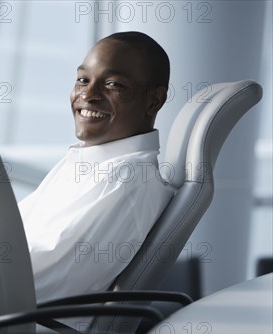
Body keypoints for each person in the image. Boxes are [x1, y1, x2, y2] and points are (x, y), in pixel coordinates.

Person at [18, 31, 175, 309]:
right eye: (82, 80)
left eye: (113, 84)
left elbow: (26, 285)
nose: (88, 95)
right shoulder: (88, 164)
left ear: (155, 100)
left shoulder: (126, 181)